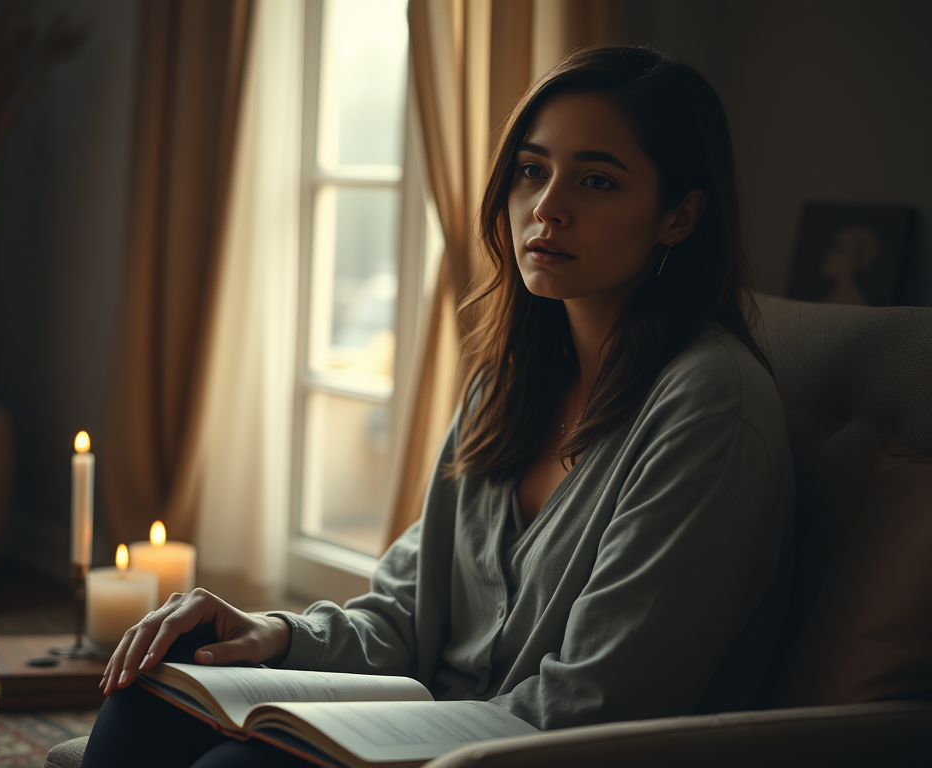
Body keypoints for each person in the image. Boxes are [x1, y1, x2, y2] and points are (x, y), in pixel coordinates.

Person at [82, 44, 794, 768]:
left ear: (679, 216)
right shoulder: (510, 380)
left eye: (598, 181)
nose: (547, 207)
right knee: (148, 693)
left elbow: (604, 703)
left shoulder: (711, 403)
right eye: (531, 171)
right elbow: (403, 616)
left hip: (531, 753)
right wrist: (273, 634)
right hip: (435, 725)